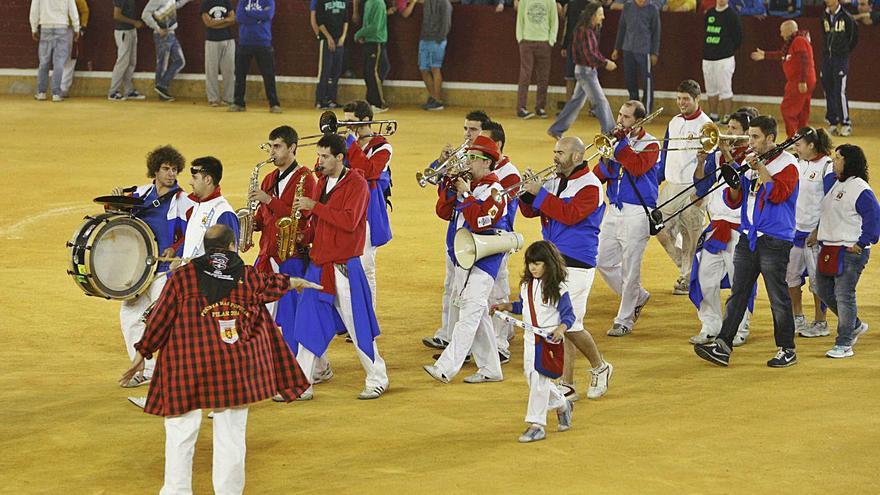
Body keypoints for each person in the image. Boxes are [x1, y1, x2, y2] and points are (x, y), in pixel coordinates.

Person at [119, 224, 314, 495]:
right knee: (231, 435)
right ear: (232, 246)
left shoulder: (182, 277)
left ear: (205, 248)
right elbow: (273, 284)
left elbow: (159, 320)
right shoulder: (248, 276)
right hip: (233, 368)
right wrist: (297, 281)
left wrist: (142, 354)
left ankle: (176, 491)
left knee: (180, 431)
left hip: (187, 366)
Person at [694, 115, 800, 368]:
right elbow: (735, 200)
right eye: (749, 136)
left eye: (755, 137)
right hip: (749, 235)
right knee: (738, 293)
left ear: (770, 138)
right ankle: (723, 345)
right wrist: (734, 179)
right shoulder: (750, 161)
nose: (749, 141)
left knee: (778, 297)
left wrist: (759, 168)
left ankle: (787, 349)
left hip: (775, 238)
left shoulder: (788, 163)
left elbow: (777, 194)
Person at [290, 133, 390, 400]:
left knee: (358, 326)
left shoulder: (357, 183)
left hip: (345, 267)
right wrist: (304, 236)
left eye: (324, 156)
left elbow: (349, 221)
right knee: (308, 321)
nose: (319, 161)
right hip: (319, 264)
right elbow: (320, 224)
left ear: (340, 158)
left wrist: (315, 207)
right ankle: (303, 383)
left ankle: (377, 377)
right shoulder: (321, 182)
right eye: (318, 156)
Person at [519, 136, 613, 400]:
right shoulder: (554, 180)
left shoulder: (591, 186)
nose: (555, 157)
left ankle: (601, 366)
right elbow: (530, 212)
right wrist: (527, 193)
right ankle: (567, 384)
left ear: (576, 156)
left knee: (569, 324)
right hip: (554, 260)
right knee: (560, 323)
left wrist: (541, 194)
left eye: (560, 152)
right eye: (554, 151)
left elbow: (569, 214)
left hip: (578, 262)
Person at [424, 136, 507, 384]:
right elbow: (442, 212)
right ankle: (491, 368)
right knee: (476, 314)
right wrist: (450, 187)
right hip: (464, 256)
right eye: (468, 157)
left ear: (487, 163)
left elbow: (482, 221)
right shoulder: (467, 184)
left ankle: (445, 367)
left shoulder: (495, 190)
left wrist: (467, 194)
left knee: (469, 313)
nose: (467, 162)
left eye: (473, 158)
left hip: (485, 259)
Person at [113, 145, 191, 390]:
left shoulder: (182, 200)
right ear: (155, 171)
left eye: (174, 169)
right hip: (138, 269)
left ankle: (175, 373)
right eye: (166, 169)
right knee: (130, 317)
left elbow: (192, 234)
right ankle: (145, 370)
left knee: (166, 322)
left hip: (164, 271)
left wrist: (176, 251)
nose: (171, 174)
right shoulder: (141, 193)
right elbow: (122, 220)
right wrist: (116, 201)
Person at [422, 110, 492, 351]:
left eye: (473, 129)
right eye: (465, 129)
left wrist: (464, 190)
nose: (467, 134)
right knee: (452, 286)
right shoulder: (463, 158)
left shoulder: (491, 169)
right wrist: (446, 173)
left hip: (483, 241)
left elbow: (488, 212)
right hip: (456, 232)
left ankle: (495, 344)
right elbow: (438, 193)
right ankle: (448, 335)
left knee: (484, 297)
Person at [492, 241, 575, 443]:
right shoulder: (527, 285)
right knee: (532, 378)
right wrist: (506, 306)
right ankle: (562, 403)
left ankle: (537, 425)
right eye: (530, 263)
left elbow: (569, 315)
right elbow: (524, 306)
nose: (533, 267)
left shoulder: (559, 289)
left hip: (549, 341)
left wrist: (560, 329)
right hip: (530, 339)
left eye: (537, 263)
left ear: (549, 263)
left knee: (539, 379)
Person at [688, 112, 755, 346]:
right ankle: (711, 325)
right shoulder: (716, 156)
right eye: (728, 126)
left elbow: (741, 183)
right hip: (716, 228)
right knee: (705, 277)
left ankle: (740, 327)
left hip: (740, 230)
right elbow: (701, 185)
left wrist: (726, 153)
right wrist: (700, 161)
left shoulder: (752, 157)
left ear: (746, 133)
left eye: (734, 128)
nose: (729, 131)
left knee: (740, 283)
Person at [594, 100, 660, 337]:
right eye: (619, 115)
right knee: (602, 259)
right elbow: (599, 175)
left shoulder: (651, 144)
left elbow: (637, 167)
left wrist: (620, 144)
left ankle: (624, 319)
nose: (620, 121)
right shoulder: (616, 143)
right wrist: (605, 156)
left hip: (638, 212)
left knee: (631, 267)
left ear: (639, 120)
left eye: (627, 117)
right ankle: (638, 296)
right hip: (615, 209)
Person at [814, 144, 879, 358]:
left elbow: (873, 218)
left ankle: (844, 343)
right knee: (823, 290)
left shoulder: (860, 188)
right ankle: (855, 324)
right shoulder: (834, 184)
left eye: (838, 158)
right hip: (829, 247)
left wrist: (862, 243)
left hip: (850, 250)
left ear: (849, 162)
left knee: (844, 295)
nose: (834, 162)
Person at [248, 126, 318, 324]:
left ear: (292, 148)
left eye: (277, 147)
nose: (272, 152)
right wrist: (251, 223)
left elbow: (302, 217)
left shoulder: (305, 178)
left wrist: (269, 200)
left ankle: (294, 355)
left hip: (291, 256)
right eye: (270, 147)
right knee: (255, 311)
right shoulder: (269, 179)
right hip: (267, 254)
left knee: (292, 317)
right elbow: (262, 217)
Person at [656, 80, 714, 296]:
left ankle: (688, 277)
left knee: (690, 235)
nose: (681, 103)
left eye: (686, 99)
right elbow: (666, 150)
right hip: (671, 186)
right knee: (658, 228)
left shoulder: (707, 126)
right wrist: (659, 177)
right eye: (679, 99)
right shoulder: (673, 121)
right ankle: (686, 268)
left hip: (692, 188)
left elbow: (710, 163)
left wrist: (702, 192)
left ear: (697, 99)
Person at [343, 100, 394, 305]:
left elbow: (368, 172)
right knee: (342, 267)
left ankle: (367, 321)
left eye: (352, 122)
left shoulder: (383, 147)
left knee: (365, 267)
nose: (347, 127)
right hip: (344, 208)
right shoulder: (345, 141)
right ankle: (348, 319)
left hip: (369, 211)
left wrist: (349, 144)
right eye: (344, 122)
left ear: (365, 120)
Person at [788, 127, 835, 338]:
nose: (795, 147)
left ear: (811, 145)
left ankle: (820, 321)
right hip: (794, 232)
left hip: (816, 234)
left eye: (798, 144)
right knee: (791, 277)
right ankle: (797, 316)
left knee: (819, 281)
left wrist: (818, 230)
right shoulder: (796, 163)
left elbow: (831, 203)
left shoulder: (827, 167)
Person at [481, 120, 521, 363]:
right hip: (483, 237)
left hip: (499, 236)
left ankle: (500, 344)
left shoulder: (509, 174)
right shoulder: (484, 167)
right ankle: (497, 336)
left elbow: (497, 207)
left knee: (497, 291)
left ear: (496, 145)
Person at [548, 1, 617, 140]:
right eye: (600, 14)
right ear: (592, 16)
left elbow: (591, 53)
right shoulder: (585, 31)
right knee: (600, 102)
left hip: (585, 70)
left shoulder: (587, 30)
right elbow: (589, 54)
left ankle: (556, 129)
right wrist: (605, 62)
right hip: (586, 72)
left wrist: (603, 62)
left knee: (576, 103)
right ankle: (610, 133)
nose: (603, 17)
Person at [750, 21, 815, 138]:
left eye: (782, 31)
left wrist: (802, 80)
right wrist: (765, 55)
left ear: (789, 30)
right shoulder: (795, 42)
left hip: (799, 81)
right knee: (802, 112)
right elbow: (783, 55)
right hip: (802, 80)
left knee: (787, 109)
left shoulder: (798, 41)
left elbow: (804, 60)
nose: (781, 34)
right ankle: (802, 138)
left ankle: (792, 137)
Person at [183, 156, 240, 259]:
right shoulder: (197, 206)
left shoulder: (224, 213)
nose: (190, 182)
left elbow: (230, 259)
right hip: (194, 273)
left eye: (195, 177)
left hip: (207, 275)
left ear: (208, 180)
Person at [229, 0, 281, 113]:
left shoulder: (269, 1)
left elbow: (268, 15)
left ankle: (274, 104)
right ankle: (238, 103)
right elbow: (239, 17)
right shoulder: (243, 1)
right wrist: (258, 18)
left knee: (269, 75)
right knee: (240, 74)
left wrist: (249, 14)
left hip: (263, 42)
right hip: (244, 42)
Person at [402, 0, 452, 111]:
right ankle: (433, 97)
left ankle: (438, 100)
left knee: (435, 68)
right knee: (423, 69)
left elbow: (446, 23)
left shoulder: (444, 3)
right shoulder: (428, 2)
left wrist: (439, 39)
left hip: (436, 40)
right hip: (424, 38)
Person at [612, 0, 660, 113]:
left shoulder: (652, 9)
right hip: (628, 49)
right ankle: (634, 111)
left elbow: (656, 32)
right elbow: (622, 28)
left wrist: (654, 52)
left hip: (644, 50)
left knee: (646, 82)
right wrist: (616, 48)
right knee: (630, 80)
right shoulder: (628, 7)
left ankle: (647, 111)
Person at [820, 0, 858, 137]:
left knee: (839, 90)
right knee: (828, 87)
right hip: (827, 58)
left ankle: (846, 123)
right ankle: (833, 122)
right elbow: (824, 36)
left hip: (840, 58)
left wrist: (843, 51)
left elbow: (853, 36)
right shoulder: (824, 16)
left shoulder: (846, 17)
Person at [142, 0, 192, 102]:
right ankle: (161, 88)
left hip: (171, 33)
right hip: (162, 35)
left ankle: (161, 85)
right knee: (163, 63)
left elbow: (175, 6)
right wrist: (157, 28)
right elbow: (145, 14)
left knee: (180, 61)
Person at [515, 0, 558, 120]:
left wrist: (551, 40)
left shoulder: (551, 1)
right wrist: (521, 39)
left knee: (543, 77)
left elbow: (554, 21)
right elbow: (520, 19)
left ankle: (540, 107)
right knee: (525, 75)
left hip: (544, 42)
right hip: (526, 41)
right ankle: (521, 108)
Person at [30, 0, 80, 102]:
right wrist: (76, 27)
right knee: (59, 62)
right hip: (62, 26)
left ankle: (41, 92)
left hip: (46, 26)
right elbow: (73, 9)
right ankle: (56, 93)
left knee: (44, 61)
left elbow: (34, 10)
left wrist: (34, 28)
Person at [702, 0, 741, 122]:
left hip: (724, 58)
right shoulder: (709, 13)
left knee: (725, 89)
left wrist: (727, 50)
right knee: (710, 88)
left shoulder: (732, 15)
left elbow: (738, 38)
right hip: (708, 58)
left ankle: (727, 116)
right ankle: (713, 115)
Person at [355, 0, 390, 112]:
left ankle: (378, 103)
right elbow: (367, 24)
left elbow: (375, 27)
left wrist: (358, 34)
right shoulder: (368, 2)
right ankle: (370, 101)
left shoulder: (378, 3)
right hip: (368, 41)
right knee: (367, 72)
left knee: (373, 72)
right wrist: (363, 36)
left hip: (376, 42)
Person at [108, 0, 146, 101]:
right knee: (123, 62)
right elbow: (116, 15)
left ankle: (128, 90)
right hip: (123, 31)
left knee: (131, 62)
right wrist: (134, 22)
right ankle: (113, 91)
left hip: (131, 30)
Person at [314, 0, 348, 110]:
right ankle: (320, 100)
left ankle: (332, 99)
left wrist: (343, 37)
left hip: (339, 40)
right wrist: (328, 37)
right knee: (325, 71)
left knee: (336, 72)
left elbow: (346, 20)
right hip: (326, 41)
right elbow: (319, 21)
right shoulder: (321, 2)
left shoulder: (343, 1)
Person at [201, 0, 236, 107]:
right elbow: (208, 23)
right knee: (211, 71)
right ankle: (213, 99)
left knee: (229, 70)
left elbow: (233, 19)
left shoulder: (227, 2)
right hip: (211, 40)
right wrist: (225, 21)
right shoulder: (205, 3)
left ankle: (229, 98)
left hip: (228, 40)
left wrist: (215, 23)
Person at [60, 0, 88, 98]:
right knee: (63, 59)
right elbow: (84, 11)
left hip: (69, 28)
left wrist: (82, 26)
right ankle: (60, 87)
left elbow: (84, 10)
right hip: (58, 27)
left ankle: (63, 87)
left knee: (69, 58)